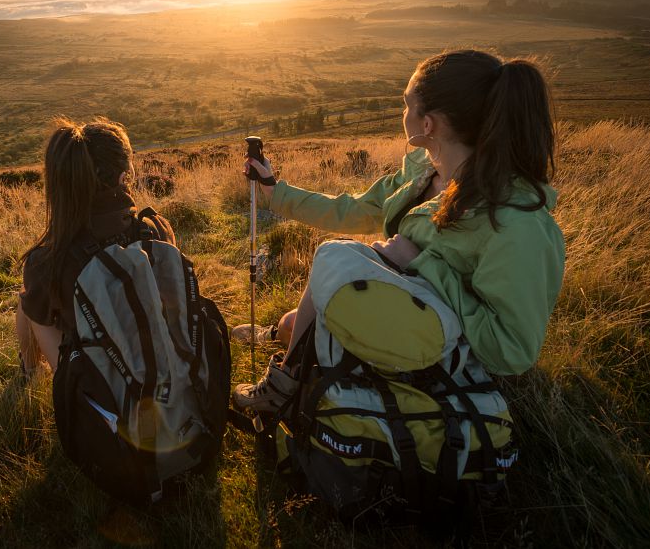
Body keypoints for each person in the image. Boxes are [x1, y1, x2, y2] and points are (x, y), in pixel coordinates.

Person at [232, 49, 566, 411]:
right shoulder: (425, 171)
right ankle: (282, 337)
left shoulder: (516, 224)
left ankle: (284, 383)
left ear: (428, 124)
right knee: (294, 322)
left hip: (440, 352)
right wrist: (276, 192)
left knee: (330, 267)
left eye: (407, 104)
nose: (402, 113)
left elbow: (511, 351)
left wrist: (420, 263)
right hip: (400, 309)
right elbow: (355, 209)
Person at [16, 117, 175, 379]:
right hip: (162, 370)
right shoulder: (157, 230)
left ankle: (31, 372)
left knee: (29, 300)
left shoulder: (47, 262)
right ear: (123, 177)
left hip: (100, 387)